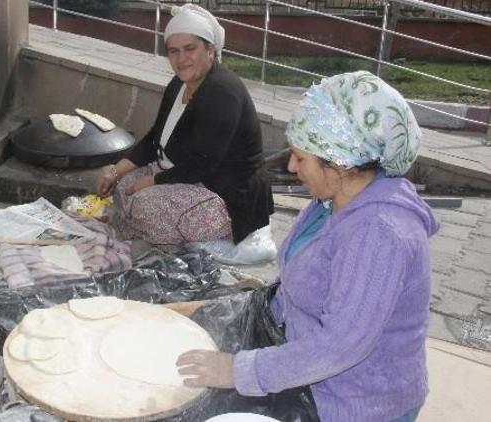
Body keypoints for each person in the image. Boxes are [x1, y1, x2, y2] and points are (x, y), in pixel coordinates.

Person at [176, 71, 439, 422]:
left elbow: (338, 347)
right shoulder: (333, 200)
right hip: (304, 357)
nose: (291, 166)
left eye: (301, 157)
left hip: (352, 399)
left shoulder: (379, 234)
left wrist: (237, 370)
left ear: (341, 162)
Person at [95, 4, 274, 256]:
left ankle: (185, 246)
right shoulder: (179, 83)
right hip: (188, 176)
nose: (181, 59)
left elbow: (205, 163)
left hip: (226, 195)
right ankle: (147, 231)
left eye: (190, 49)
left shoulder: (222, 92)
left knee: (145, 204)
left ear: (211, 50)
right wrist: (115, 171)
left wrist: (153, 181)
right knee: (124, 186)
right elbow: (155, 138)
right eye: (174, 51)